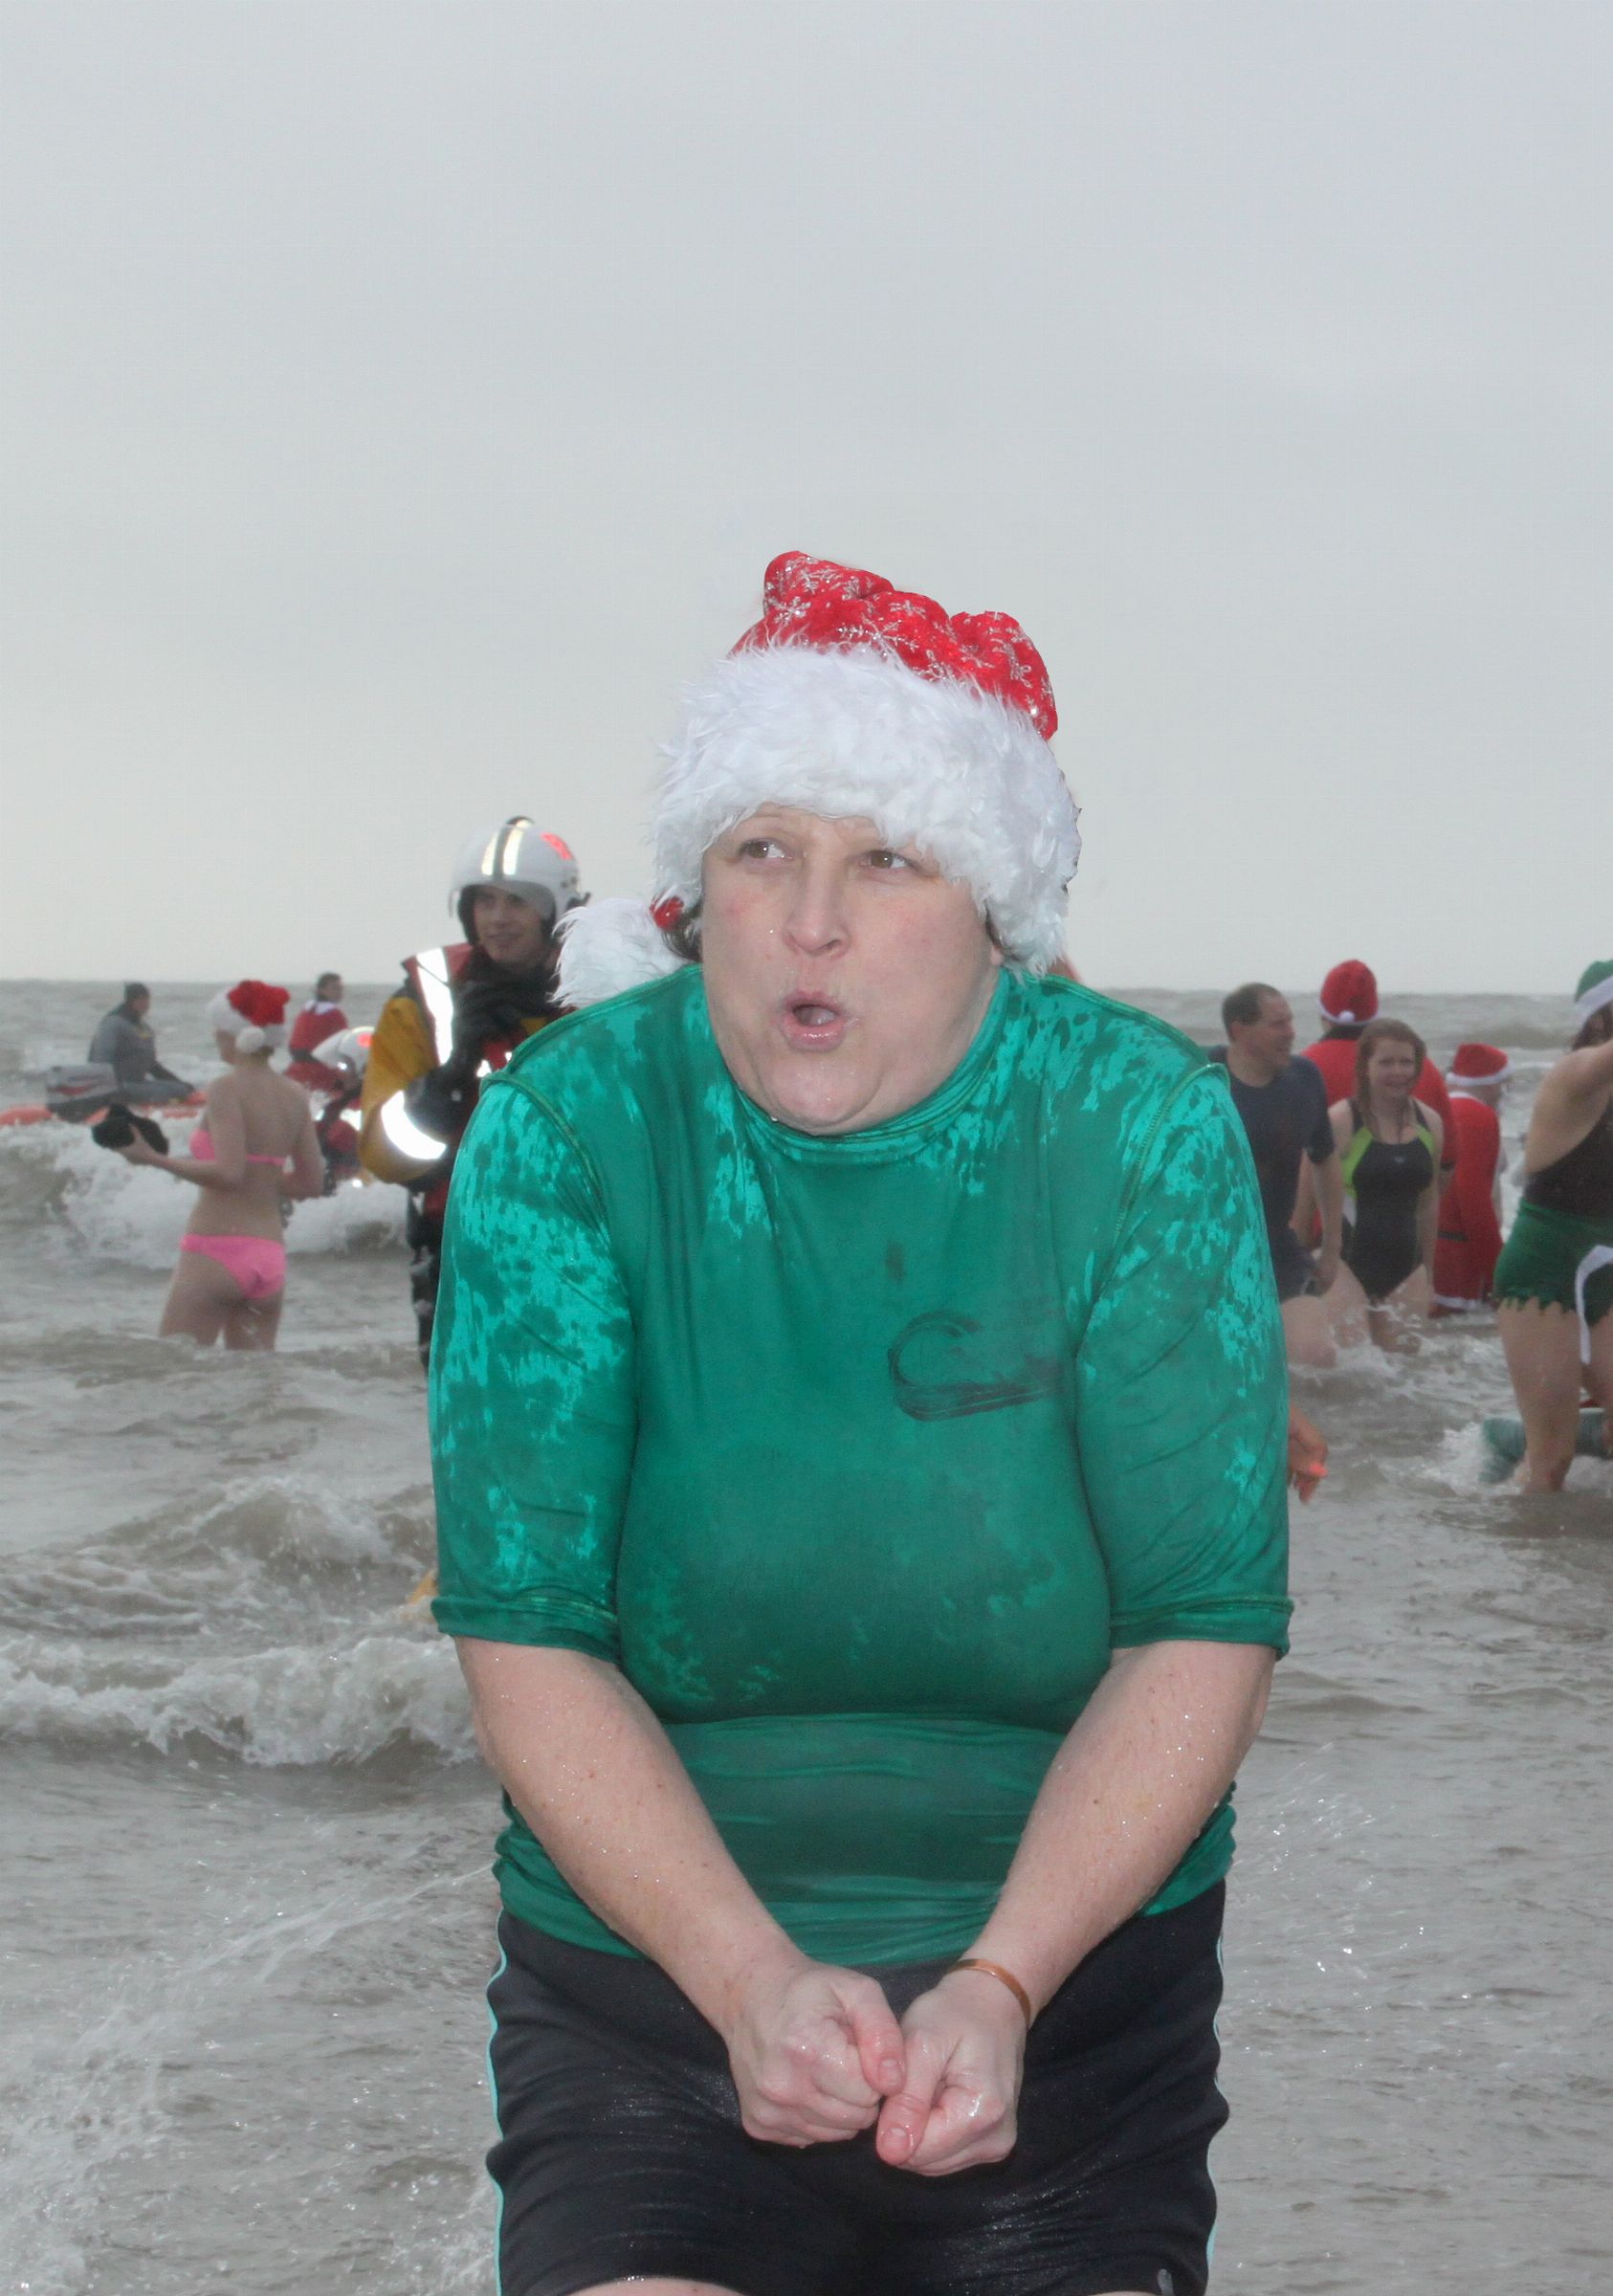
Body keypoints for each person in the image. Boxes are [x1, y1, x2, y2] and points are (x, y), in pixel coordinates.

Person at [431, 551, 1291, 2296]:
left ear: (992, 909)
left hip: (1069, 2002)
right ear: (698, 891)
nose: (808, 921)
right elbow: (527, 1632)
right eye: (762, 851)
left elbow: (1198, 1624)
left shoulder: (1136, 1126)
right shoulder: (569, 1128)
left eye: (886, 858)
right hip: (653, 1997)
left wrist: (1001, 1982)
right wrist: (747, 1979)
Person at [358, 820, 584, 1366]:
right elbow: (384, 1155)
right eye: (484, 901)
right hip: (460, 1243)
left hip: (581, 1241)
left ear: (554, 910)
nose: (498, 918)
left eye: (517, 901)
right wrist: (448, 1081)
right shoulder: (425, 1001)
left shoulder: (604, 993)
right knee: (468, 1408)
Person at [115, 981, 322, 1349]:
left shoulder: (226, 1087)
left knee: (175, 1369)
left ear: (233, 1033)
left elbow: (228, 1173)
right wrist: (263, 1179)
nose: (214, 1036)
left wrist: (153, 1159)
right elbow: (311, 1183)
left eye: (218, 1027)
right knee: (254, 1379)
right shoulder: (295, 1095)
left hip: (217, 1250)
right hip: (269, 1255)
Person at [1494, 960, 1613, 1491]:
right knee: (1552, 1456)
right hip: (1544, 1271)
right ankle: (1528, 1541)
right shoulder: (1574, 1074)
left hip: (1604, 1267)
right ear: (1598, 1018)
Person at [1212, 982, 1343, 1369]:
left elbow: (1324, 1159)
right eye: (1277, 1024)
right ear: (1240, 1030)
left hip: (1276, 1246)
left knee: (1315, 1359)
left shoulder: (1304, 1079)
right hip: (1209, 1253)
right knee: (1228, 1369)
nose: (1291, 1033)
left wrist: (1331, 1248)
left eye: (1290, 1021)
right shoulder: (1202, 1078)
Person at [1325, 1018, 1444, 1351]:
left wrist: (1430, 1274)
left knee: (1403, 1373)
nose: (1398, 1072)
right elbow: (1308, 1199)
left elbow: (1429, 1204)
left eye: (1406, 1062)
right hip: (1346, 1264)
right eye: (1386, 1062)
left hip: (1407, 1268)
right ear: (1365, 1066)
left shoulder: (1431, 1123)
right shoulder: (1340, 1120)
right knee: (1354, 1369)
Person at [1300, 959, 1455, 1153]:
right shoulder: (1419, 1066)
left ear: (1324, 1015)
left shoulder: (1301, 1068)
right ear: (1375, 1012)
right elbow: (1448, 1155)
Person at [1433, 1042, 1510, 1314]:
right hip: (1457, 1264)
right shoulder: (1476, 1116)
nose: (1505, 1092)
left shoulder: (1439, 1109)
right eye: (1505, 1083)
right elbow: (1473, 1199)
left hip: (1429, 1256)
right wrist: (1497, 1273)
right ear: (1492, 1084)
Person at [86, 982, 192, 1101]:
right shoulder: (112, 1024)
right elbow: (100, 1062)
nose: (147, 1005)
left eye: (147, 1000)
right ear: (132, 1001)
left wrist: (179, 1083)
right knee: (174, 1092)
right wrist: (108, 1092)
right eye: (142, 1000)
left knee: (182, 1089)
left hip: (137, 1084)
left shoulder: (144, 1028)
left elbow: (152, 1066)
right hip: (118, 1088)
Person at [286, 973, 350, 1091]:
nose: (340, 992)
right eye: (335, 988)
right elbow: (346, 1043)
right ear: (321, 990)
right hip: (321, 1072)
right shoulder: (334, 1014)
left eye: (341, 988)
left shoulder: (306, 1011)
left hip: (295, 1069)